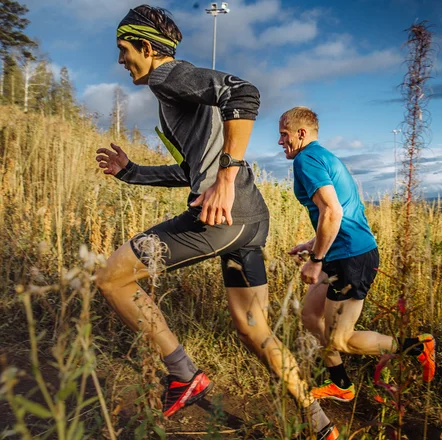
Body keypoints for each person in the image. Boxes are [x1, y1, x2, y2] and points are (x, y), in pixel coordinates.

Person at [95, 6, 338, 439]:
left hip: (223, 217)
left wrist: (226, 177)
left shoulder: (168, 76)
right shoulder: (173, 91)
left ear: (148, 48)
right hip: (246, 220)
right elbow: (191, 172)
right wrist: (131, 171)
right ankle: (320, 424)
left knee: (113, 278)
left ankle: (183, 375)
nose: (119, 59)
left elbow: (243, 93)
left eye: (124, 49)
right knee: (253, 329)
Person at [278, 107, 436, 402]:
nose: (279, 141)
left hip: (351, 257)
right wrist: (313, 243)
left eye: (283, 134)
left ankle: (416, 347)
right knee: (312, 316)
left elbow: (333, 212)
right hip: (344, 252)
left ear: (301, 133)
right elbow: (342, 213)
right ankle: (340, 384)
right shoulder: (323, 156)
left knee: (341, 338)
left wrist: (315, 261)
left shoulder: (305, 159)